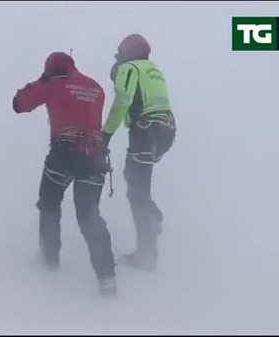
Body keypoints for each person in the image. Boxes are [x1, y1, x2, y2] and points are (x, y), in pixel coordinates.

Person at [12, 52, 117, 296]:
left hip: (64, 153)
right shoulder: (95, 87)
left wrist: (43, 80)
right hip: (94, 155)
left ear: (50, 69)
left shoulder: (52, 83)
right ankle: (107, 277)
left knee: (49, 204)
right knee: (89, 216)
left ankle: (50, 258)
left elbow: (19, 104)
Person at [102, 34, 177, 271]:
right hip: (167, 130)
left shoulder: (130, 68)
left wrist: (105, 135)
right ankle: (152, 222)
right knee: (139, 182)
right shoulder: (153, 69)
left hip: (144, 130)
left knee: (136, 188)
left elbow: (122, 101)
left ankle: (147, 252)